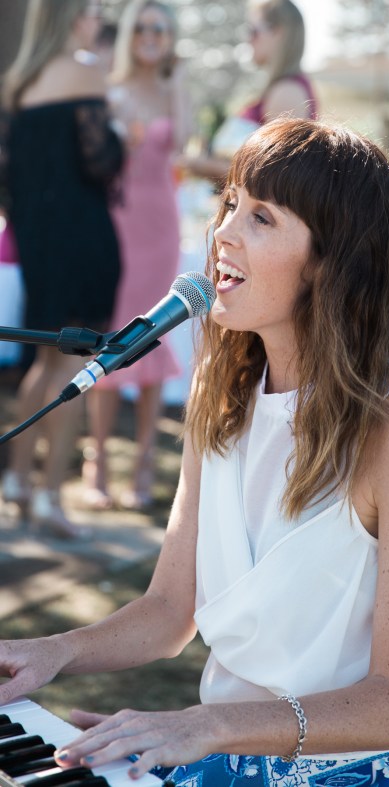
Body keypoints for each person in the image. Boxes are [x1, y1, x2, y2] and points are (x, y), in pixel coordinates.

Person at [0, 118, 389, 786]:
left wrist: (202, 725)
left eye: (259, 216)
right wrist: (50, 651)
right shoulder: (221, 385)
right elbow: (171, 609)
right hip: (212, 752)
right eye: (228, 203)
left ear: (329, 260)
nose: (221, 231)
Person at [0, 0, 124, 538]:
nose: (98, 15)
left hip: (39, 243)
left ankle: (18, 481)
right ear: (70, 14)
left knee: (42, 364)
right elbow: (103, 160)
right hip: (83, 239)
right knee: (81, 367)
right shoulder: (84, 69)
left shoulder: (17, 84)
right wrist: (125, 138)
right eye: (93, 6)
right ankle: (51, 494)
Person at [82, 0, 191, 511]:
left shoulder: (173, 87)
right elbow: (92, 157)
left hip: (161, 224)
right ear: (131, 32)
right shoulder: (109, 85)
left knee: (152, 334)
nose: (151, 35)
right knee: (113, 337)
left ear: (169, 37)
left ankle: (145, 460)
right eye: (144, 27)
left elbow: (186, 142)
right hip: (116, 224)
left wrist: (179, 82)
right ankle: (96, 460)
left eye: (161, 29)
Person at [180, 0, 317, 183]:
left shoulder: (287, 92)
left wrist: (204, 166)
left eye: (252, 31)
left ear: (278, 33)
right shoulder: (280, 88)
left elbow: (273, 176)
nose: (247, 39)